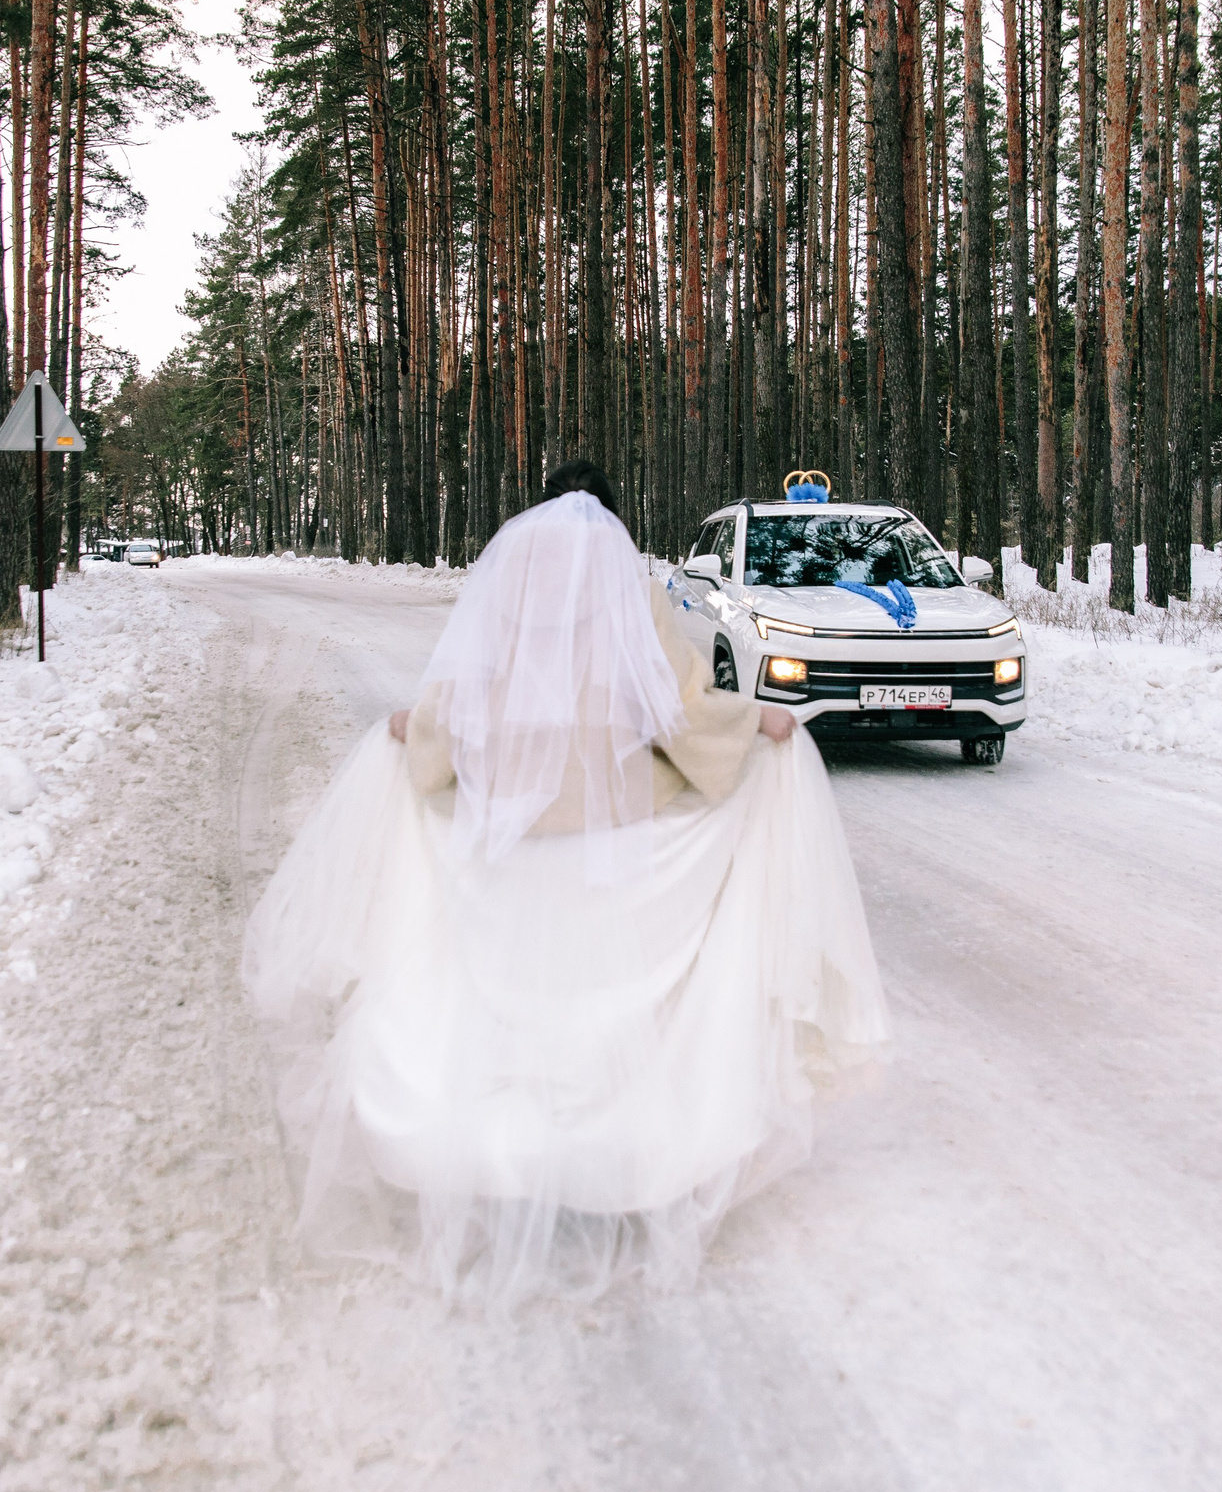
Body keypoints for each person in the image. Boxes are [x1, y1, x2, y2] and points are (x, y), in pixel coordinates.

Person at [242, 461, 890, 1308]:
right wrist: (757, 721)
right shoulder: (632, 594)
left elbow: (458, 698)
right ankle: (612, 1158)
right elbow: (681, 710)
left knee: (508, 998)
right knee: (607, 997)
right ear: (612, 526)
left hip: (510, 835)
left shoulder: (507, 592)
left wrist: (416, 732)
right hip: (617, 837)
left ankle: (497, 1154)